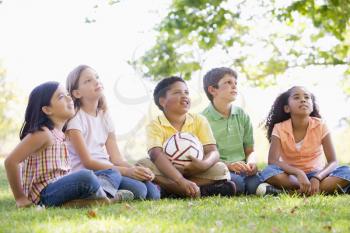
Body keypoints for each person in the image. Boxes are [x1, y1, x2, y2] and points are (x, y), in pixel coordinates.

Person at [5, 81, 124, 208]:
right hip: (44, 194)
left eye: (67, 94)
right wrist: (20, 198)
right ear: (47, 109)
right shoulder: (43, 133)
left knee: (112, 172)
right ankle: (104, 198)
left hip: (61, 188)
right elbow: (10, 161)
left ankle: (86, 201)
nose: (69, 98)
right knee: (86, 176)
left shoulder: (61, 135)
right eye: (61, 97)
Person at [65, 65, 160, 200]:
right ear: (77, 93)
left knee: (153, 193)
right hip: (90, 174)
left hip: (109, 170)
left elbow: (116, 159)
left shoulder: (105, 116)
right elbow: (88, 162)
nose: (96, 81)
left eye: (96, 77)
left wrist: (137, 170)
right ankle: (96, 195)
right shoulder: (75, 119)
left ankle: (110, 193)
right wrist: (126, 172)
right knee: (140, 190)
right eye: (88, 81)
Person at [137, 76, 236, 198]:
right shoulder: (155, 125)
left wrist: (203, 165)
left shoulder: (199, 120)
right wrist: (180, 180)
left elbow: (212, 151)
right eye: (177, 92)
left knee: (221, 169)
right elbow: (155, 154)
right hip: (167, 171)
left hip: (196, 170)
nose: (184, 96)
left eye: (186, 92)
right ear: (162, 101)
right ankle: (193, 190)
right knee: (143, 164)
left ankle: (170, 190)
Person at [260, 86, 350, 195]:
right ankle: (315, 190)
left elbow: (333, 161)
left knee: (347, 171)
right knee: (268, 172)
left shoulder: (321, 125)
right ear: (287, 108)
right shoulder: (279, 128)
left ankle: (295, 192)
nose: (303, 100)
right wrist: (298, 173)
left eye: (307, 97)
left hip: (318, 175)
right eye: (296, 97)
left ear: (312, 106)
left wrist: (317, 177)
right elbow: (273, 161)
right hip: (291, 176)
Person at [202, 67, 261, 195]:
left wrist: (251, 162)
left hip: (243, 169)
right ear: (212, 90)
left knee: (255, 185)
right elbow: (204, 157)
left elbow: (250, 151)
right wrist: (229, 165)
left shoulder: (242, 115)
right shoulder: (202, 120)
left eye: (235, 83)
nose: (234, 86)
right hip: (219, 168)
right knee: (238, 184)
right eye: (228, 82)